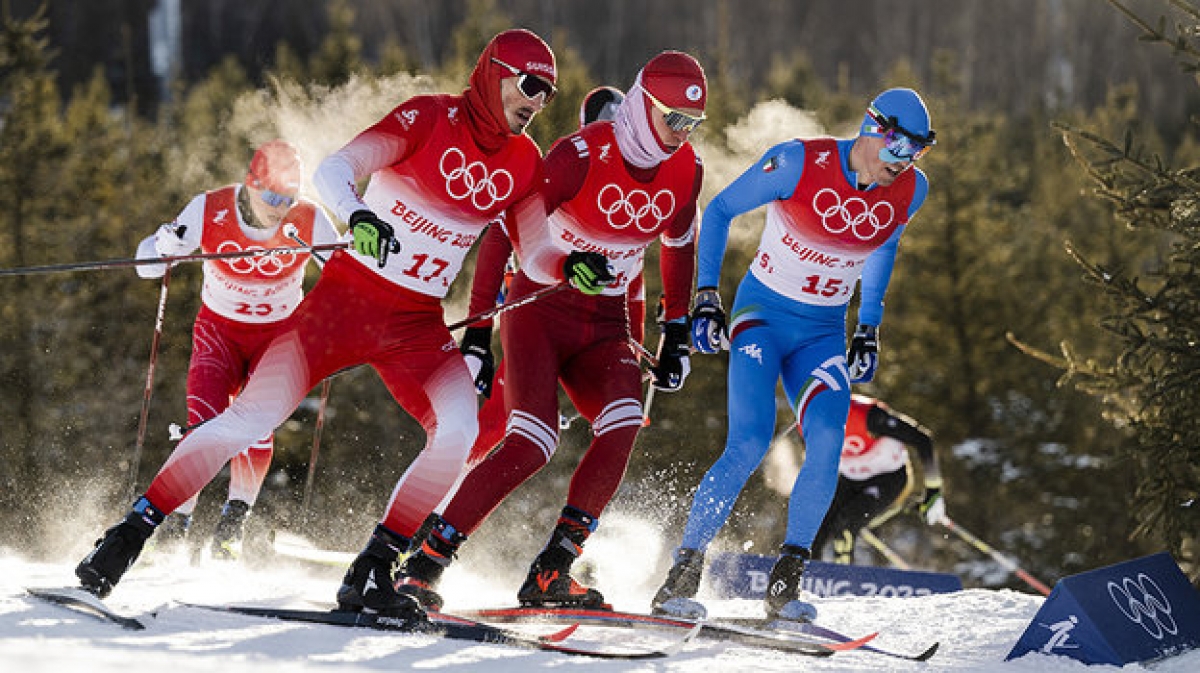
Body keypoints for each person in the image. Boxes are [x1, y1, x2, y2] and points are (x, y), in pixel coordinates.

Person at [74, 29, 558, 625]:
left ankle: (375, 569)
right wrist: (357, 215)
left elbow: (535, 253)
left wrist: (577, 263)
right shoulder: (429, 117)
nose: (537, 102)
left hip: (416, 326)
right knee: (249, 420)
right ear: (494, 74)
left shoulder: (526, 161)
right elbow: (335, 170)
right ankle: (127, 536)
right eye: (530, 86)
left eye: (548, 95)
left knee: (458, 430)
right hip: (343, 308)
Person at [395, 52, 707, 611]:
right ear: (642, 104)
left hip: (604, 320)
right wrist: (479, 333)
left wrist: (675, 331)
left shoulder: (688, 170)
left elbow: (678, 246)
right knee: (533, 441)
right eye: (672, 119)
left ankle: (552, 570)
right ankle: (425, 563)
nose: (680, 135)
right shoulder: (578, 154)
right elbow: (503, 231)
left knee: (623, 422)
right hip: (540, 310)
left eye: (692, 124)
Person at [651, 87, 935, 622]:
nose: (907, 162)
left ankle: (786, 583)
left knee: (827, 438)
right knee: (751, 440)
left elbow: (884, 246)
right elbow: (718, 211)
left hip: (823, 333)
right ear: (875, 128)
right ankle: (681, 575)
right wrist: (706, 299)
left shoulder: (911, 190)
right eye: (901, 147)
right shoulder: (801, 161)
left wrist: (868, 328)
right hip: (763, 318)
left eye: (919, 151)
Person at [131, 140, 340, 561]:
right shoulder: (209, 209)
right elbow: (145, 266)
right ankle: (175, 526)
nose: (281, 207)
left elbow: (350, 275)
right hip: (219, 334)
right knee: (202, 427)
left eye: (290, 197)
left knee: (257, 430)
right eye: (274, 196)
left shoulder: (310, 220)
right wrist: (163, 249)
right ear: (252, 183)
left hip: (277, 339)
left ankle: (230, 527)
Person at [811, 394, 945, 564]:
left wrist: (933, 490)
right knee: (816, 524)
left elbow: (923, 440)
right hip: (851, 478)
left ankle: (843, 579)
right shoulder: (807, 421)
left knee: (846, 523)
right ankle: (808, 577)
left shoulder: (867, 415)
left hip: (888, 477)